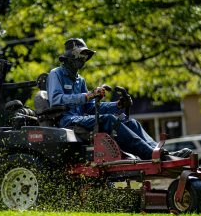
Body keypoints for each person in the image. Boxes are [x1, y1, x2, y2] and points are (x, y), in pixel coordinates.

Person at [47, 38, 192, 160]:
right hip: (68, 121)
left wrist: (117, 105)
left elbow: (91, 107)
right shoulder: (56, 74)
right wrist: (88, 95)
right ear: (70, 57)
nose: (83, 60)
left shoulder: (80, 80)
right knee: (110, 119)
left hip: (82, 118)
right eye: (81, 56)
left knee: (131, 122)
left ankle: (160, 152)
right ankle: (153, 156)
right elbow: (56, 99)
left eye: (85, 56)